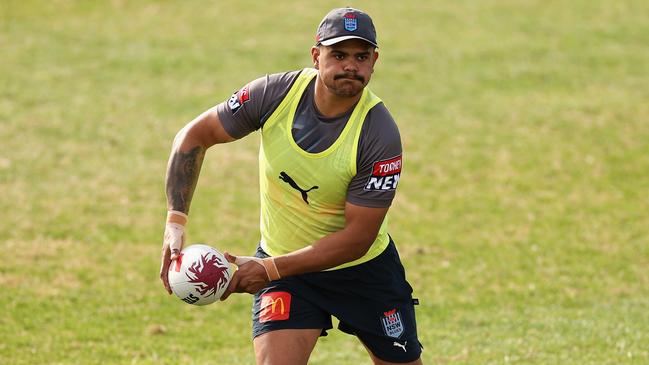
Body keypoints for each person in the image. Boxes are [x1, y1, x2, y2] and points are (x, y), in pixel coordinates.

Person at [159, 7, 423, 365]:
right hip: (286, 271)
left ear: (374, 61)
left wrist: (269, 270)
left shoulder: (378, 135)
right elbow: (194, 136)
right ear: (316, 56)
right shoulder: (274, 94)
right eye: (339, 54)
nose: (351, 66)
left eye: (361, 57)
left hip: (362, 273)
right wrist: (175, 222)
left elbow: (356, 239)